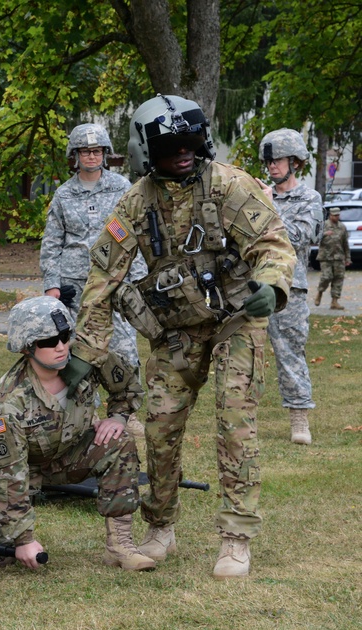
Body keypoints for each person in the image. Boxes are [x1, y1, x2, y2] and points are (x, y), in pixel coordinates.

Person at [71, 94, 295, 579]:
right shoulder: (135, 201)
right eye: (172, 147)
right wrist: (84, 351)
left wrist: (271, 286)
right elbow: (103, 276)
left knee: (236, 419)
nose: (184, 154)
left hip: (237, 315)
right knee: (161, 426)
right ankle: (161, 526)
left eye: (191, 144)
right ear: (147, 152)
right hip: (177, 329)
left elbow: (273, 244)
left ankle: (236, 537)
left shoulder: (232, 186)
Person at [0, 296, 153, 571]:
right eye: (49, 341)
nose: (61, 346)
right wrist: (24, 538)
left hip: (61, 454)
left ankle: (120, 545)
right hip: (0, 470)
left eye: (65, 336)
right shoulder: (6, 404)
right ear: (27, 347)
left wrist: (118, 418)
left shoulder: (88, 359)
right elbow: (8, 474)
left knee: (118, 443)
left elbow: (128, 389)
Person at [40, 122, 147, 440]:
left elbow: (134, 233)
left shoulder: (121, 187)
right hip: (75, 285)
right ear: (75, 155)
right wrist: (51, 284)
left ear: (105, 154)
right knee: (76, 350)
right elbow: (52, 243)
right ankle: (84, 414)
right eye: (85, 151)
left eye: (97, 150)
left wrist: (137, 278)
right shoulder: (63, 194)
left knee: (124, 349)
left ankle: (125, 413)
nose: (91, 156)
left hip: (115, 279)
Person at [260, 129, 324, 445]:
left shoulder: (309, 199)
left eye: (279, 160)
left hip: (289, 290)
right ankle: (241, 418)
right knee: (245, 356)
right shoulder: (262, 195)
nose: (272, 166)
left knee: (290, 355)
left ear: (295, 162)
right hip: (255, 286)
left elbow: (300, 238)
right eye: (269, 161)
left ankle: (299, 421)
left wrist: (269, 207)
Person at [316, 207, 350, 310]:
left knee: (338, 279)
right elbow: (315, 238)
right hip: (326, 256)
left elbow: (345, 244)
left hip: (339, 257)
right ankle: (320, 292)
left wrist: (347, 258)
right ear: (330, 215)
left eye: (338, 215)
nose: (336, 217)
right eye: (335, 215)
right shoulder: (324, 225)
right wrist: (324, 234)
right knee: (327, 276)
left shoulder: (342, 227)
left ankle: (334, 302)